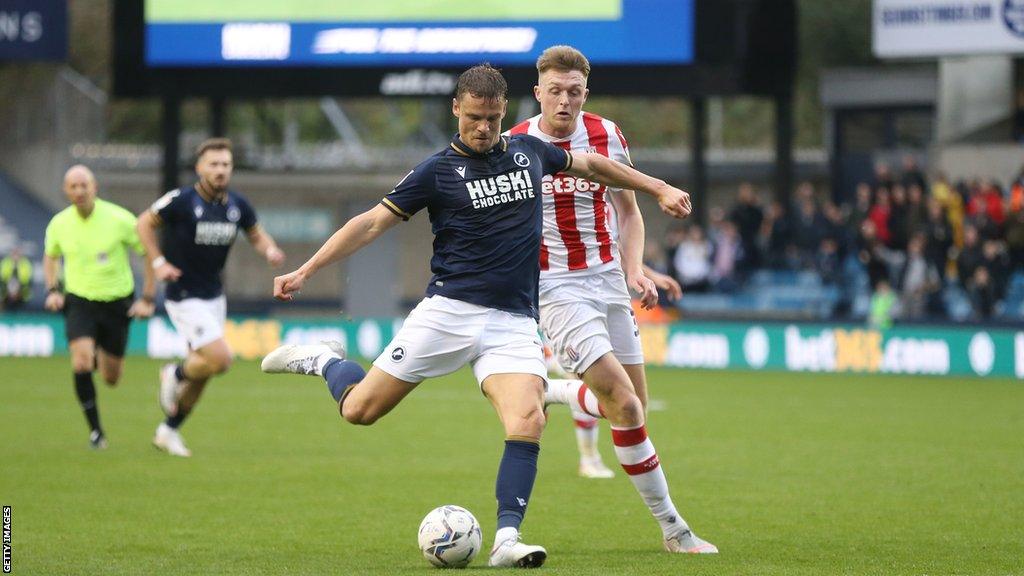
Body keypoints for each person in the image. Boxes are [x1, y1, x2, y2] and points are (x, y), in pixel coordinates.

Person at [258, 64, 692, 568]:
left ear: (505, 111)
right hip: (447, 313)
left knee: (527, 421)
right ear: (456, 112)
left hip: (512, 321)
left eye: (490, 118)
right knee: (360, 410)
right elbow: (371, 223)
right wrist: (306, 270)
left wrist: (656, 187)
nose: (482, 128)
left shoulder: (530, 152)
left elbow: (594, 166)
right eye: (473, 119)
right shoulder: (436, 171)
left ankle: (507, 539)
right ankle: (323, 361)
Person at [508, 46, 716, 554]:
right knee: (621, 402)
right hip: (555, 289)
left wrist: (633, 268)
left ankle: (557, 392)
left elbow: (628, 212)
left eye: (573, 93)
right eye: (554, 91)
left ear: (585, 94)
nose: (564, 102)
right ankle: (675, 530)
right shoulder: (513, 145)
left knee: (635, 410)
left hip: (606, 281)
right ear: (538, 93)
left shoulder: (607, 134)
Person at [136, 138, 285, 457]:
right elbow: (144, 223)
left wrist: (270, 250)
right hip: (183, 293)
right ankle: (173, 373)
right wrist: (159, 262)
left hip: (214, 295)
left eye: (225, 165)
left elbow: (256, 235)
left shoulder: (237, 206)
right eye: (214, 164)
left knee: (205, 371)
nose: (220, 170)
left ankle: (168, 430)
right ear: (199, 168)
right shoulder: (181, 200)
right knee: (221, 359)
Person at [43, 165, 156, 449]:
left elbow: (148, 254)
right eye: (73, 186)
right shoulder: (59, 223)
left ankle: (96, 353)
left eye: (84, 185)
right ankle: (96, 431)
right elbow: (51, 256)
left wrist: (147, 297)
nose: (79, 191)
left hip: (117, 302)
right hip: (79, 300)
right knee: (80, 362)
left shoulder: (120, 218)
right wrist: (53, 290)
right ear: (65, 191)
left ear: (95, 187)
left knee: (111, 378)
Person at [1, 245, 34, 310]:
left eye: (17, 254)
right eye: (14, 254)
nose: (15, 256)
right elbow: (2, 280)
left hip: (22, 293)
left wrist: (18, 292)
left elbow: (28, 281)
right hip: (6, 293)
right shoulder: (5, 262)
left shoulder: (26, 263)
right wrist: (9, 292)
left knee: (25, 296)